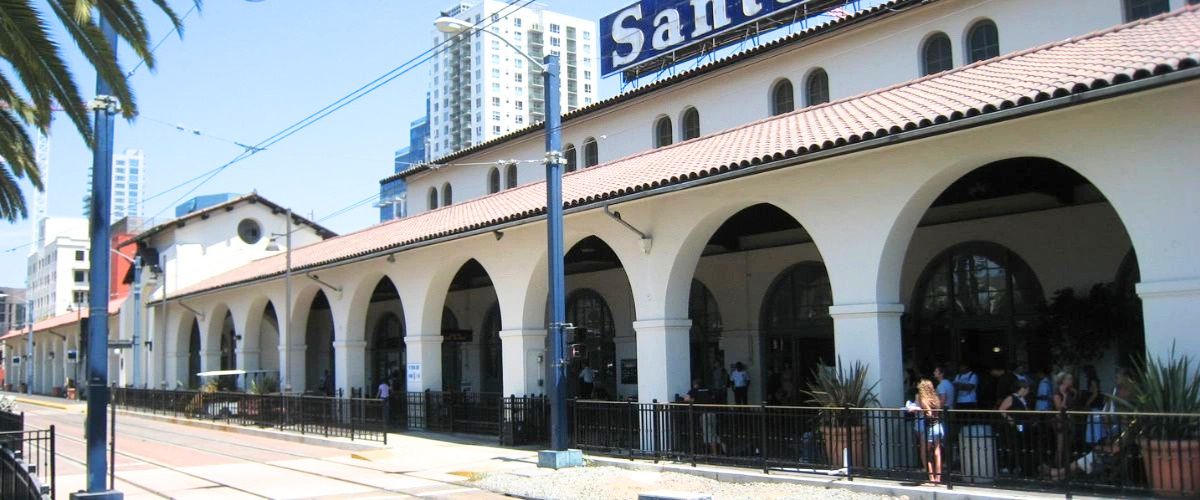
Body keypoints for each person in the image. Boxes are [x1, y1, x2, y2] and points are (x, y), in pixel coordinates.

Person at [907, 379, 944, 484]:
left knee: (927, 454)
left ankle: (931, 477)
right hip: (938, 426)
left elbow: (928, 412)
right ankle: (938, 478)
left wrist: (920, 410)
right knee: (937, 452)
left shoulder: (924, 399)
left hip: (930, 427)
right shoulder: (935, 399)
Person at [997, 380, 1033, 475]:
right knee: (1015, 442)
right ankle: (1010, 466)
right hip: (1017, 424)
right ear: (1023, 388)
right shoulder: (1012, 397)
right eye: (1027, 389)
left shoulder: (1023, 399)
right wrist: (1010, 419)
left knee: (1022, 442)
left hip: (1023, 423)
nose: (1028, 391)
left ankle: (1021, 466)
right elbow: (1001, 409)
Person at [683, 379, 722, 454]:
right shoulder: (707, 389)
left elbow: (686, 399)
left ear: (694, 384)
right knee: (713, 432)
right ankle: (723, 447)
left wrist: (692, 400)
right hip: (713, 413)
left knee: (708, 435)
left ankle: (714, 454)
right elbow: (714, 397)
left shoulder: (694, 390)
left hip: (704, 414)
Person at [1052, 371, 1077, 467]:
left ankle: (1066, 465)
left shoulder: (1070, 391)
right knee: (1060, 445)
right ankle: (1057, 465)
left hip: (1068, 419)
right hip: (1060, 420)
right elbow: (1059, 407)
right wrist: (1065, 397)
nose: (1071, 381)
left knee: (1068, 444)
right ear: (1063, 380)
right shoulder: (1057, 392)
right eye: (1069, 379)